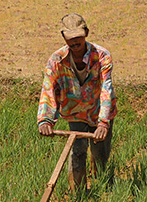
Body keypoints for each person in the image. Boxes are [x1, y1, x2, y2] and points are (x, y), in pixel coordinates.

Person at [37, 13, 117, 192]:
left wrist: (103, 123)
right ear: (63, 37)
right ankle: (78, 193)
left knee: (100, 154)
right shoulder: (56, 60)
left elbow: (106, 88)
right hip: (75, 113)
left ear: (86, 33)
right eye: (70, 38)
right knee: (77, 153)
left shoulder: (102, 56)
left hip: (99, 112)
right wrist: (45, 119)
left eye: (78, 38)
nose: (74, 43)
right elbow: (48, 88)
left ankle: (103, 188)